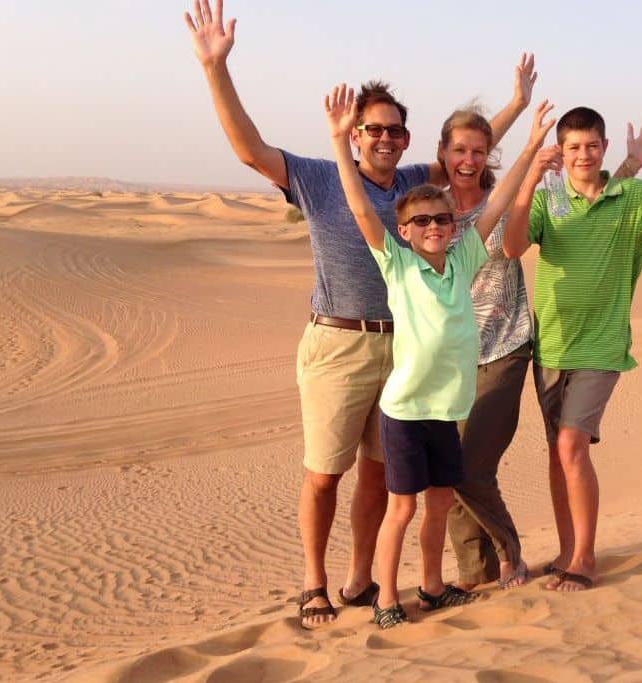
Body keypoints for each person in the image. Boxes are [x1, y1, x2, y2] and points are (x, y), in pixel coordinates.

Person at [183, 0, 537, 627]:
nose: (384, 138)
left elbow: (471, 154)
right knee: (324, 474)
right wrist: (215, 69)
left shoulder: (413, 185)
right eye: (373, 128)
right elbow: (248, 149)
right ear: (354, 133)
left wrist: (513, 108)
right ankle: (314, 583)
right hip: (339, 343)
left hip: (403, 353)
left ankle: (359, 580)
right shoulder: (320, 176)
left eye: (394, 130)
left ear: (405, 138)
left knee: (381, 477)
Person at [323, 82, 555, 627]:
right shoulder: (398, 266)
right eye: (421, 222)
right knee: (401, 508)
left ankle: (431, 588)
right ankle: (385, 597)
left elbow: (494, 203)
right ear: (403, 231)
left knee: (439, 503)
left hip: (446, 410)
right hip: (405, 411)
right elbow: (360, 208)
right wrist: (339, 142)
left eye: (441, 221)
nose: (433, 228)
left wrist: (530, 145)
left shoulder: (464, 256)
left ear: (455, 229)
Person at [439, 111, 642, 590]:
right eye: (459, 151)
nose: (468, 160)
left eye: (478, 153)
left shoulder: (522, 196)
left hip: (518, 346)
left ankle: (550, 559)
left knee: (535, 453)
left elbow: (595, 204)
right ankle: (497, 569)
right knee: (497, 461)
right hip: (488, 351)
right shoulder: (433, 207)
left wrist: (632, 167)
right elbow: (569, 209)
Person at [502, 106, 642, 592]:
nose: (582, 155)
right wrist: (530, 182)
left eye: (591, 146)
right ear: (562, 149)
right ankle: (564, 549)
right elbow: (512, 247)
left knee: (573, 445)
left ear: (604, 148)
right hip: (550, 345)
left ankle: (585, 558)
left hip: (602, 347)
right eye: (573, 147)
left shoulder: (633, 197)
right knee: (558, 453)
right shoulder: (547, 200)